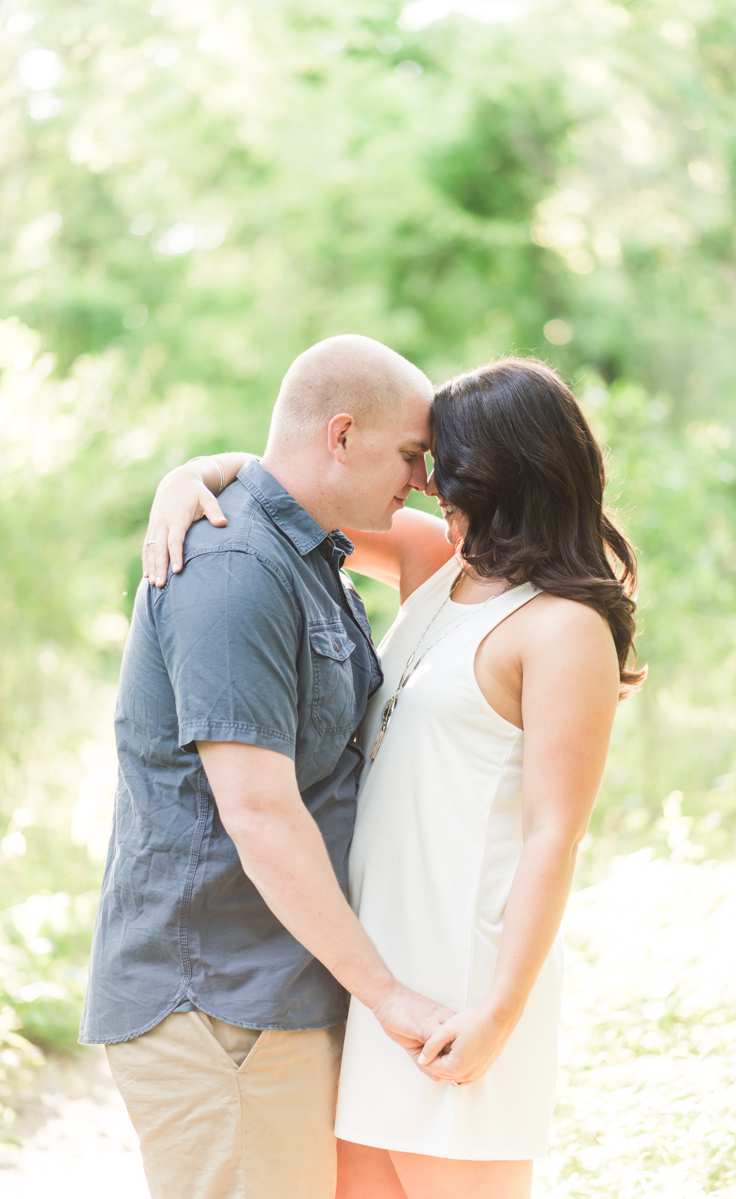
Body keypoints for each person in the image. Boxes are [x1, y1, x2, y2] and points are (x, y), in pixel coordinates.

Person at [147, 356, 645, 1199]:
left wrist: (498, 1014)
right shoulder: (440, 566)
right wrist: (192, 475)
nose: (422, 485)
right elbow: (291, 496)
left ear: (506, 472)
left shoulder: (563, 629)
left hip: (464, 986)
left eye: (442, 464)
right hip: (376, 980)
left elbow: (553, 836)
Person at [80, 334, 455, 1199]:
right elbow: (259, 811)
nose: (422, 479)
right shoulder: (234, 565)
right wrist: (390, 995)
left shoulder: (308, 548)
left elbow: (454, 554)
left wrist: (212, 464)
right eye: (410, 454)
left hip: (279, 991)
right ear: (340, 434)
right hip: (222, 1004)